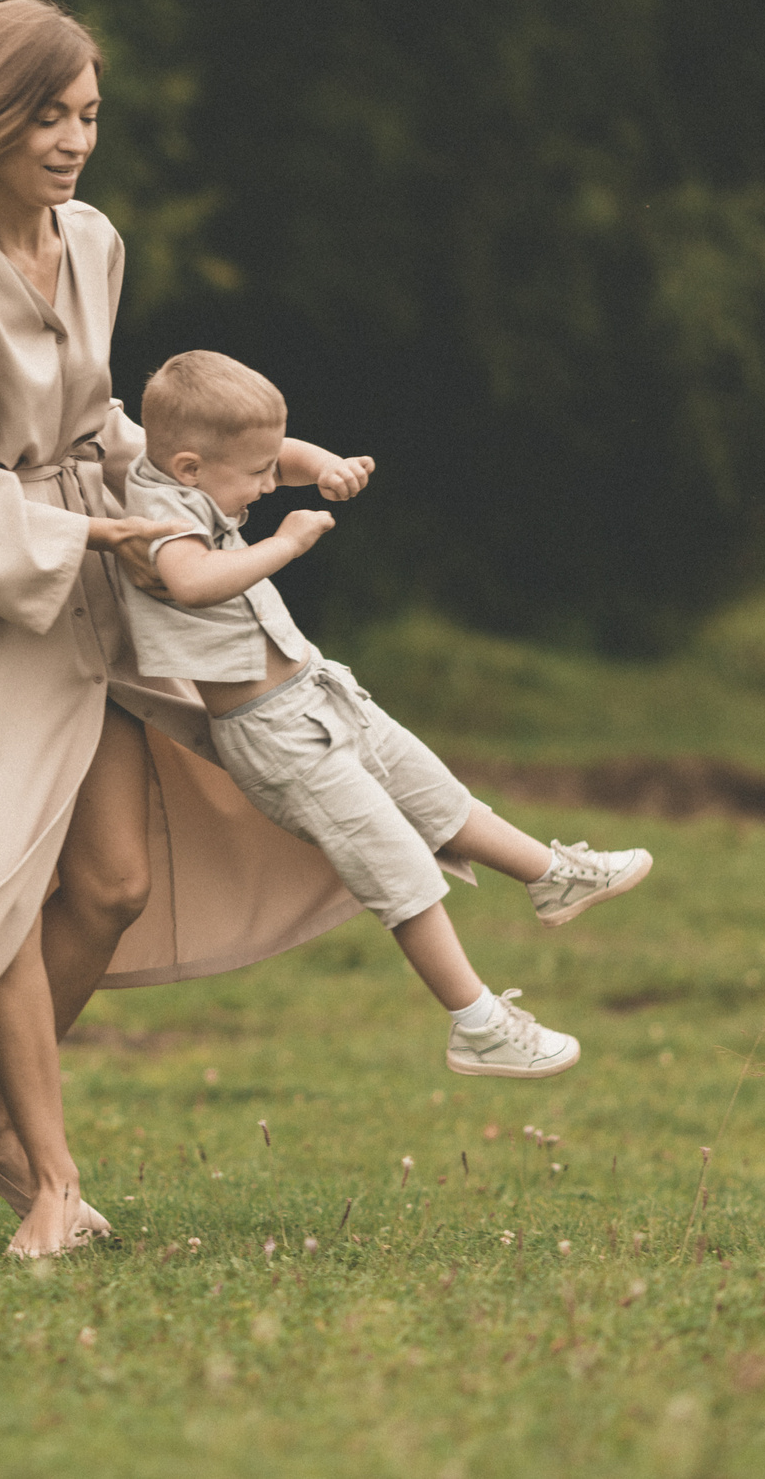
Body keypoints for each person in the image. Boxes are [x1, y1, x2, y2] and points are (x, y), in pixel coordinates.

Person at [0, 0, 602, 1261]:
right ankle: (52, 1179)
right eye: (46, 117)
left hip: (103, 572)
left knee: (115, 879)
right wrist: (86, 535)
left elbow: (105, 423)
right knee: (3, 878)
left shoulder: (91, 242)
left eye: (86, 115)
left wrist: (224, 473)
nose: (73, 142)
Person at [119, 349, 654, 1078]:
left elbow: (275, 452)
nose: (273, 482)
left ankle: (552, 875)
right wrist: (281, 544)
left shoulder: (199, 470)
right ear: (188, 467)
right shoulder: (156, 517)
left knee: (434, 793)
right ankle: (478, 1023)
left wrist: (327, 464)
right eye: (259, 475)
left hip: (318, 691)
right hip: (275, 735)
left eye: (274, 465)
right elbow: (193, 582)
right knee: (396, 864)